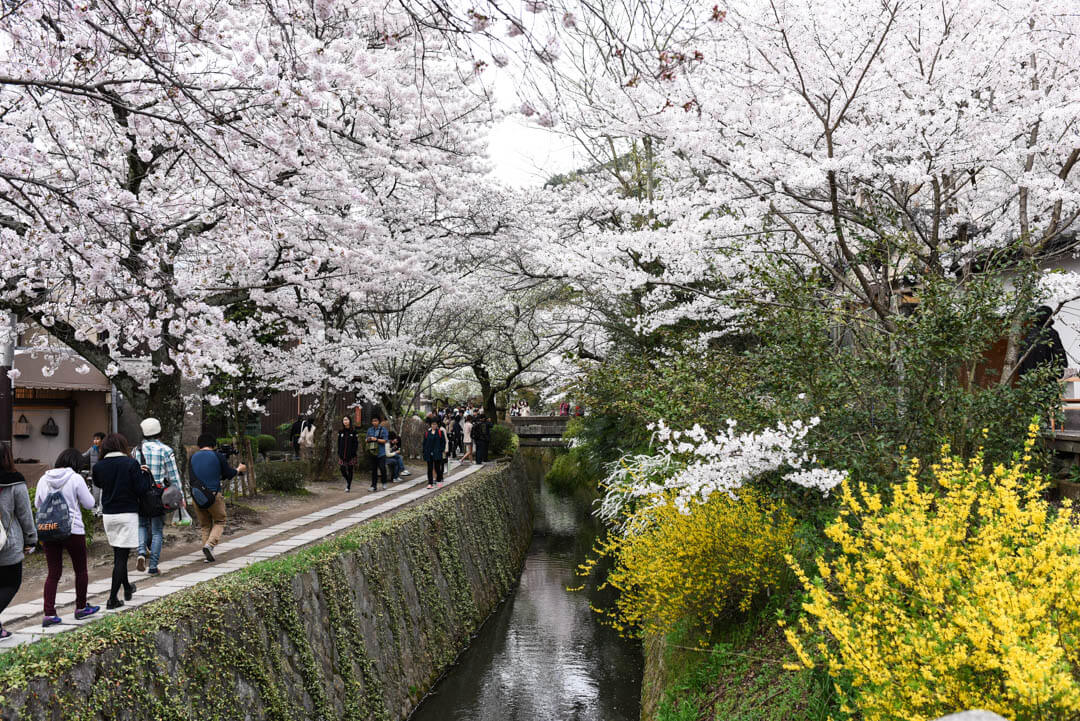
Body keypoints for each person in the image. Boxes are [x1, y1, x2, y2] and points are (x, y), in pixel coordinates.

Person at [35, 449, 99, 627]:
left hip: (49, 530)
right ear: (76, 464)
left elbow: (37, 504)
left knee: (53, 573)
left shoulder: (43, 478)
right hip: (73, 530)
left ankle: (49, 613)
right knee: (80, 570)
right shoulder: (76, 478)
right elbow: (89, 503)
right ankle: (80, 608)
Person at [92, 433, 148, 609]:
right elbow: (141, 489)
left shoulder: (99, 466)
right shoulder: (131, 464)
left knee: (119, 554)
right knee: (121, 558)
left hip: (109, 515)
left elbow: (99, 484)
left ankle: (127, 587)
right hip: (127, 513)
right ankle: (112, 599)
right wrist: (144, 475)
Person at [134, 418, 182, 575]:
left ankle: (141, 552)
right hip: (158, 495)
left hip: (140, 494)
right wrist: (180, 496)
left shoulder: (136, 450)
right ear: (160, 432)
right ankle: (153, 566)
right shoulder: (165, 450)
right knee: (157, 530)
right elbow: (174, 476)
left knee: (141, 525)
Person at [189, 434, 246, 563]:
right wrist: (239, 469)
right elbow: (228, 474)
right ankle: (210, 545)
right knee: (220, 521)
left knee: (205, 525)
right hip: (214, 495)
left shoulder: (192, 457)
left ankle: (207, 551)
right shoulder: (217, 456)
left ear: (199, 445)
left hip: (197, 496)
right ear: (213, 445)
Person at [0, 444, 37, 639]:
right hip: (8, 544)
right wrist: (31, 538)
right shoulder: (15, 482)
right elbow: (25, 514)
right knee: (11, 584)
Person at [83, 431, 106, 515]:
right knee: (95, 494)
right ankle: (94, 511)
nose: (95, 441)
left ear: (102, 440)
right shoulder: (92, 449)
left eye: (97, 439)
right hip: (94, 475)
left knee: (103, 494)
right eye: (94, 439)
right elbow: (84, 456)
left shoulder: (106, 450)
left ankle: (101, 512)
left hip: (104, 475)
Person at [422, 417, 447, 489]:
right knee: (429, 468)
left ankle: (438, 481)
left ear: (437, 425)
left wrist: (441, 450)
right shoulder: (427, 433)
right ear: (430, 425)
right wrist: (424, 451)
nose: (434, 426)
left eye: (435, 424)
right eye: (432, 424)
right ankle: (430, 483)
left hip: (437, 453)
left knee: (437, 468)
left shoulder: (440, 432)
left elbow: (443, 442)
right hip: (429, 453)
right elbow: (424, 443)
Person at [366, 415, 389, 492]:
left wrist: (376, 439)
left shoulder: (383, 430)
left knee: (382, 468)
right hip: (372, 452)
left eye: (376, 421)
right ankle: (373, 485)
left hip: (381, 452)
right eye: (373, 421)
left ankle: (384, 482)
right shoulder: (370, 430)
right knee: (374, 470)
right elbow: (366, 440)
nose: (374, 422)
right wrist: (369, 439)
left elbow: (385, 440)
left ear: (379, 421)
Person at [337, 416, 359, 491]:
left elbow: (356, 444)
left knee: (350, 469)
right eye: (344, 420)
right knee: (342, 469)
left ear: (350, 421)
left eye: (346, 420)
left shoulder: (353, 431)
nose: (345, 421)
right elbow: (339, 443)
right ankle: (348, 480)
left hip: (351, 455)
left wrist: (353, 452)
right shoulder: (341, 431)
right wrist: (339, 452)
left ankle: (348, 486)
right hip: (342, 454)